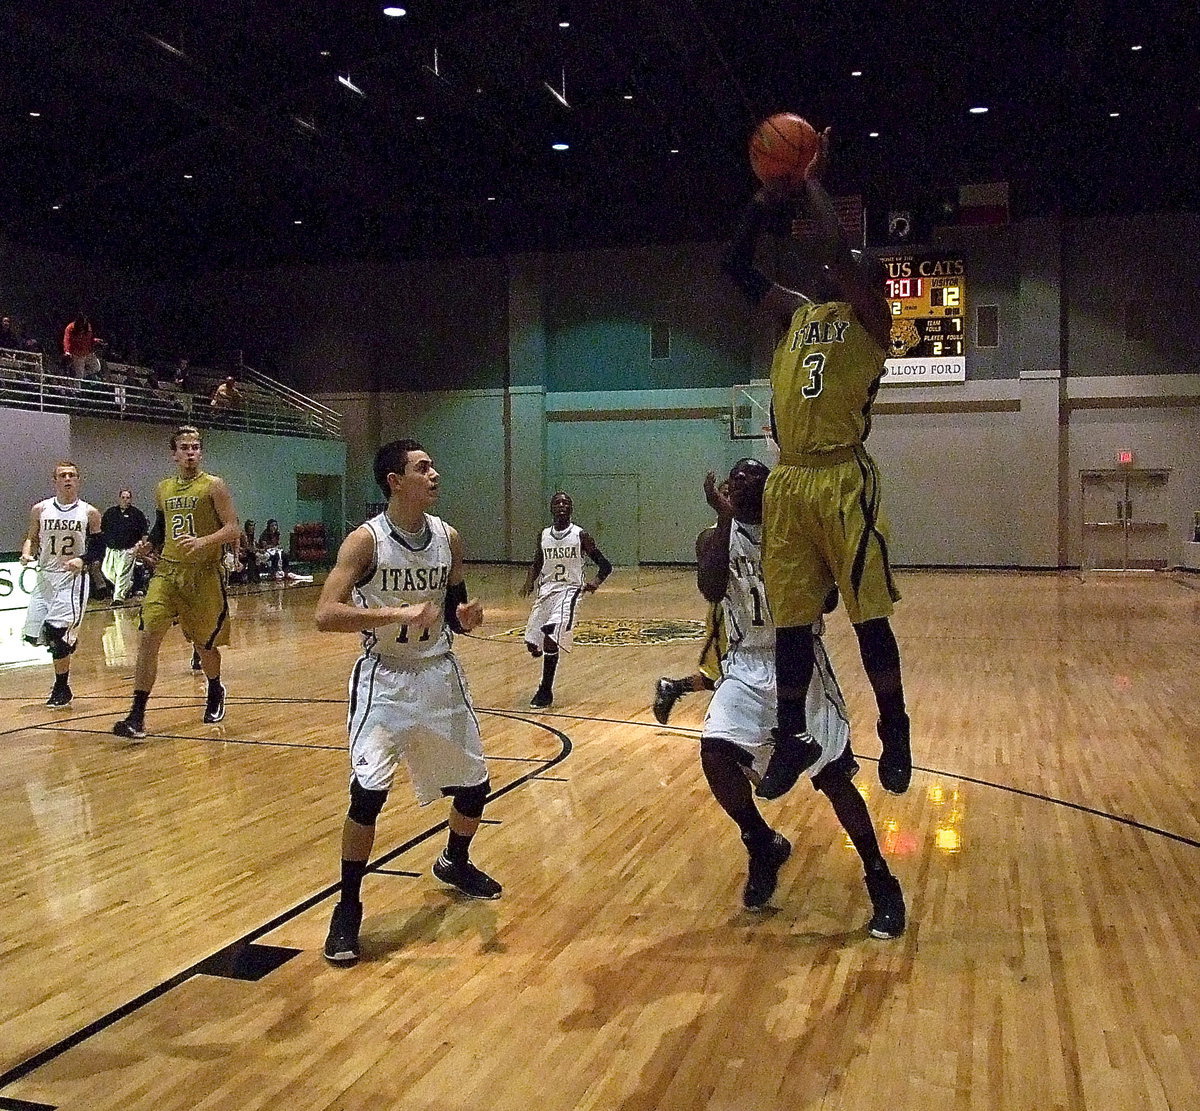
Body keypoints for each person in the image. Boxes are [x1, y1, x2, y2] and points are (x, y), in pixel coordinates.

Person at [721, 128, 912, 800]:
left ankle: (895, 724)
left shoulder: (873, 323)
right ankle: (793, 732)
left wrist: (810, 181)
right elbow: (736, 268)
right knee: (793, 617)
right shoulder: (797, 315)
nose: (838, 268)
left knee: (868, 616)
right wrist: (761, 198)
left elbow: (834, 247)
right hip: (793, 479)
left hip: (842, 476)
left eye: (855, 268)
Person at [693, 459, 904, 935]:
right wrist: (726, 518)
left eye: (752, 477)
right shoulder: (714, 537)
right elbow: (711, 587)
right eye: (735, 476)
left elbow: (827, 601)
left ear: (772, 489)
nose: (740, 482)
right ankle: (760, 840)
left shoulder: (798, 534)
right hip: (746, 662)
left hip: (796, 662)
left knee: (833, 778)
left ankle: (880, 878)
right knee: (715, 754)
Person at [315, 438, 497, 966]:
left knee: (475, 786)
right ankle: (347, 907)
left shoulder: (448, 537)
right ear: (395, 482)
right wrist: (394, 615)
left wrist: (466, 617)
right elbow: (326, 613)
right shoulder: (365, 542)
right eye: (423, 468)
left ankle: (454, 861)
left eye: (434, 465)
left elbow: (456, 604)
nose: (435, 474)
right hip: (385, 678)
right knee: (367, 795)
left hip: (439, 673)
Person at [112, 426, 242, 739]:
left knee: (204, 644)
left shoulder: (214, 486)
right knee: (149, 636)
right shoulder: (163, 488)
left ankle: (214, 688)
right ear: (174, 454)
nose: (190, 452)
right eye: (184, 447)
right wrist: (148, 545)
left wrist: (204, 541)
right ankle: (136, 715)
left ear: (201, 452)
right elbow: (161, 529)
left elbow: (233, 529)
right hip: (168, 572)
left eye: (195, 447)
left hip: (202, 574)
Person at [20, 462, 104, 707]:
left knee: (56, 634)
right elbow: (31, 538)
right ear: (54, 480)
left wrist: (82, 559)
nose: (67, 479)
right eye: (62, 475)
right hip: (45, 576)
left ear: (78, 480)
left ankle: (61, 687)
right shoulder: (40, 509)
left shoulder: (89, 512)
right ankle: (68, 641)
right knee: (36, 636)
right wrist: (27, 553)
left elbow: (99, 546)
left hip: (72, 579)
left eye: (72, 475)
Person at [519, 492, 613, 709]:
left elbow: (605, 565)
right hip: (546, 592)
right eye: (557, 503)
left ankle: (545, 690)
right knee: (532, 643)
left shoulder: (580, 535)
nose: (561, 505)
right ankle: (540, 647)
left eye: (566, 503)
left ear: (571, 509)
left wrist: (595, 582)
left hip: (569, 592)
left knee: (552, 637)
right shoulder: (543, 535)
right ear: (551, 508)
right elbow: (537, 562)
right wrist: (529, 582)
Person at [653, 479, 732, 725]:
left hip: (756, 613)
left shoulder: (758, 529)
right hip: (726, 612)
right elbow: (709, 588)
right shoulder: (710, 536)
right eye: (726, 494)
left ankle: (673, 687)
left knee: (730, 673)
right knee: (728, 673)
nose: (730, 499)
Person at [100, 489, 149, 604]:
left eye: (127, 498)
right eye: (123, 497)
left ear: (130, 499)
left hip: (129, 548)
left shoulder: (137, 514)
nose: (125, 500)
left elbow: (144, 532)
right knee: (107, 572)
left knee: (123, 573)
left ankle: (118, 598)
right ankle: (129, 585)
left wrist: (142, 547)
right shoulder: (110, 513)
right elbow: (103, 529)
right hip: (111, 548)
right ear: (119, 498)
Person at [63, 314, 103, 378]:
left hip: (88, 353)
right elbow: (67, 340)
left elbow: (89, 339)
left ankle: (78, 376)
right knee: (79, 376)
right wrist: (67, 351)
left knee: (96, 367)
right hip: (77, 355)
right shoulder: (70, 328)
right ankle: (76, 385)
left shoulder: (88, 327)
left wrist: (95, 340)